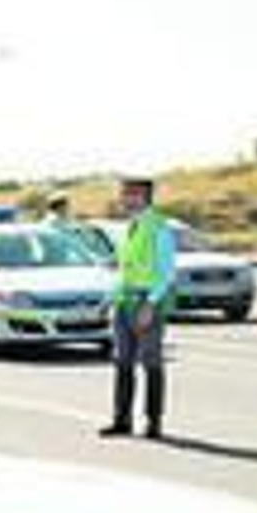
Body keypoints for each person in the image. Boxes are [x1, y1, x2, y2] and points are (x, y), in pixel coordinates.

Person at [99, 176, 175, 440]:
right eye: (123, 194)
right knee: (122, 362)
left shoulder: (158, 227)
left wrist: (151, 304)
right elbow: (126, 270)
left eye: (128, 194)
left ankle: (154, 422)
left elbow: (166, 273)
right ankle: (122, 420)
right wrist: (109, 299)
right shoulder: (130, 226)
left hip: (146, 302)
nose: (123, 199)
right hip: (124, 301)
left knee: (151, 363)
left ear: (143, 196)